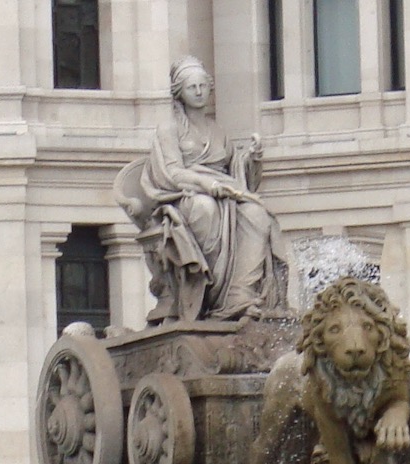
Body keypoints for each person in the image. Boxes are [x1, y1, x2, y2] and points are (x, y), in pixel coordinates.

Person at [119, 56, 288, 322]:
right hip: (183, 197)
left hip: (225, 195)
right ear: (180, 93)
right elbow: (171, 173)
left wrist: (252, 158)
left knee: (257, 214)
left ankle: (237, 294)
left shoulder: (217, 131)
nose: (198, 92)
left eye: (202, 86)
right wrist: (207, 184)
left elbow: (238, 174)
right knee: (204, 209)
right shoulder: (169, 130)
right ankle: (208, 294)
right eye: (191, 87)